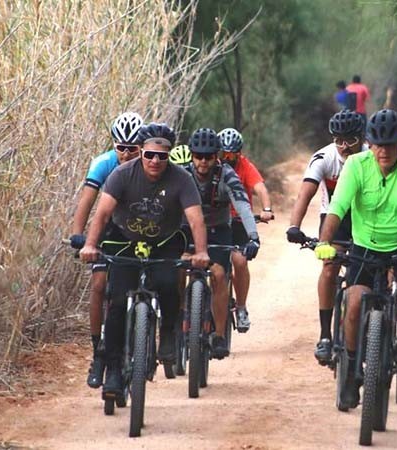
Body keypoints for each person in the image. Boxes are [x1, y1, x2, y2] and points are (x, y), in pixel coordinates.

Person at [314, 109, 397, 410]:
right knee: (353, 302)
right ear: (368, 143)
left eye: (390, 144)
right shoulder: (356, 165)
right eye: (378, 144)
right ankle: (350, 372)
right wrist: (325, 241)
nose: (384, 150)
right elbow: (337, 207)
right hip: (365, 244)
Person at [79, 123, 210, 399]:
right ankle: (113, 371)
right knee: (115, 302)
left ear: (169, 156)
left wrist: (201, 252)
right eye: (149, 155)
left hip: (164, 242)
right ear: (141, 153)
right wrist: (90, 244)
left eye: (162, 156)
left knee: (167, 282)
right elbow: (102, 214)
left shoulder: (181, 179)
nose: (154, 161)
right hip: (123, 240)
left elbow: (195, 218)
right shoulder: (121, 174)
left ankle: (169, 333)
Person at [286, 109, 367, 366]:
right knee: (330, 268)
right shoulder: (324, 157)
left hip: (368, 220)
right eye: (338, 140)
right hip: (335, 220)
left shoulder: (372, 156)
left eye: (350, 140)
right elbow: (305, 193)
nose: (343, 146)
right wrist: (294, 226)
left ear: (361, 138)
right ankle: (324, 335)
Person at [69, 112, 143, 389]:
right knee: (100, 283)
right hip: (109, 230)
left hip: (139, 229)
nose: (126, 154)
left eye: (132, 148)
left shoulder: (151, 164)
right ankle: (98, 350)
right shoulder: (103, 163)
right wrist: (78, 235)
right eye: (120, 148)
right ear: (113, 145)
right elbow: (87, 201)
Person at [182, 128, 261, 359]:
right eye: (198, 156)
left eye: (208, 156)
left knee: (218, 274)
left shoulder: (227, 175)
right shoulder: (182, 175)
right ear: (191, 155)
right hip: (186, 229)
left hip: (218, 231)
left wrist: (253, 237)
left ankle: (218, 334)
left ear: (217, 155)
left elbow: (243, 204)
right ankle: (174, 322)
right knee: (175, 269)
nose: (203, 162)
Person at [217, 128, 274, 333]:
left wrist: (266, 209)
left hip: (240, 220)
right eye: (224, 154)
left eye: (233, 154)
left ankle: (241, 307)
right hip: (217, 221)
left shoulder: (245, 166)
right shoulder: (213, 167)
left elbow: (259, 188)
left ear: (239, 153)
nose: (228, 158)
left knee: (239, 261)